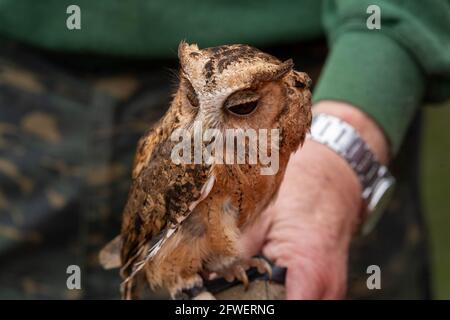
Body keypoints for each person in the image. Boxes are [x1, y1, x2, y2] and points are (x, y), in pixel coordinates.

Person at [0, 0, 448, 299]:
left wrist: (349, 133)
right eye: (194, 103)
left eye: (241, 108)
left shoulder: (285, 124)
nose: (205, 127)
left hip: (330, 56)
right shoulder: (187, 156)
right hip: (23, 90)